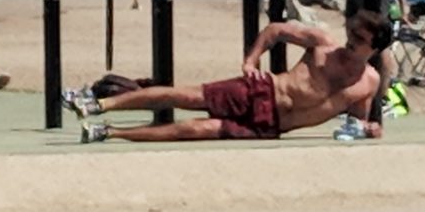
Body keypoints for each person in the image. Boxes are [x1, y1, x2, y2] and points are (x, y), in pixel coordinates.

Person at [65, 9, 392, 143]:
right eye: (352, 34)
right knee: (183, 96)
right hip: (261, 91)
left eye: (360, 41)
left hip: (271, 125)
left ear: (374, 48)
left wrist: (368, 128)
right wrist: (251, 60)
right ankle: (99, 105)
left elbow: (356, 120)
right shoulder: (324, 45)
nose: (351, 42)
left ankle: (108, 132)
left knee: (194, 129)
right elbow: (276, 29)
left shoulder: (370, 82)